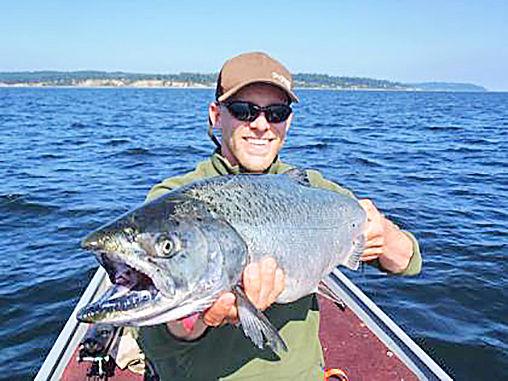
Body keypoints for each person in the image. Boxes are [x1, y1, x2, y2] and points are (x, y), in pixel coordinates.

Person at [136, 52, 422, 380]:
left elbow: (409, 261)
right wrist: (201, 318)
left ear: (289, 121)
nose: (260, 125)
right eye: (244, 111)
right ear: (216, 115)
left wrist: (382, 235)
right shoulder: (173, 201)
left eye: (276, 113)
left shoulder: (315, 190)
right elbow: (157, 343)